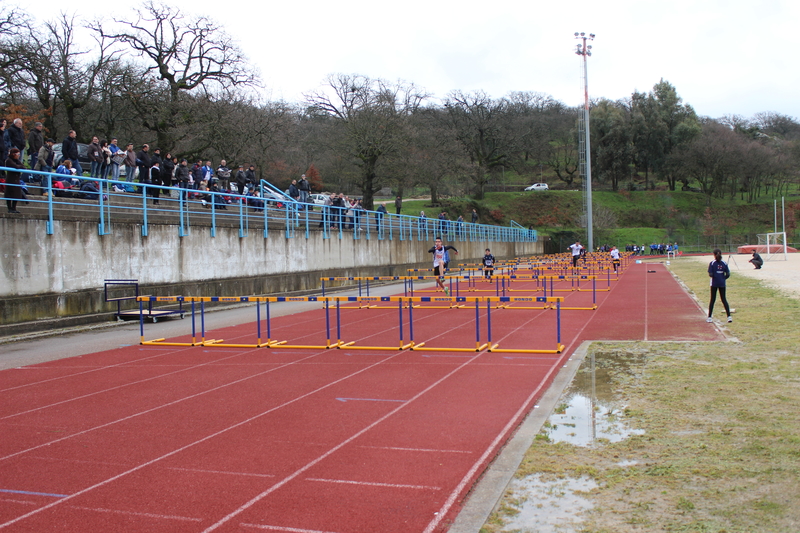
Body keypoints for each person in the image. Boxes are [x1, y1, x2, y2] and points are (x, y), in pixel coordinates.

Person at [707, 248, 732, 323]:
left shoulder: (712, 263)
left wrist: (715, 276)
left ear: (714, 255)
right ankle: (729, 317)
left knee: (712, 300)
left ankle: (709, 317)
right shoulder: (724, 263)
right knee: (724, 299)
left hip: (714, 283)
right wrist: (722, 278)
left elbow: (710, 274)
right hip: (722, 283)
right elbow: (728, 274)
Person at [4, 147, 24, 213]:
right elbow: (16, 167)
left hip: (16, 180)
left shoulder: (17, 161)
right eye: (17, 154)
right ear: (13, 154)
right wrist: (19, 166)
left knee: (16, 194)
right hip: (11, 180)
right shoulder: (9, 160)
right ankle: (10, 208)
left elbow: (23, 166)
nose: (19, 155)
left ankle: (14, 208)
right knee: (9, 194)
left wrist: (19, 166)